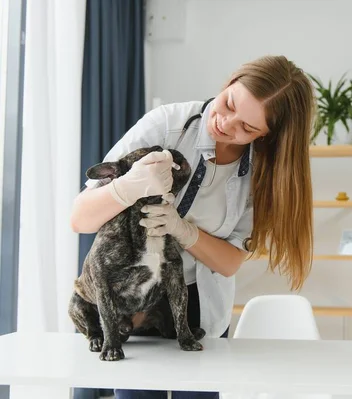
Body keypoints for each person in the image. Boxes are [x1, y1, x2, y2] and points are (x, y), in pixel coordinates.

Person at [70, 55, 315, 399]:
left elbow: (229, 263)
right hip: (132, 301)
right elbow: (80, 218)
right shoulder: (167, 125)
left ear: (267, 136)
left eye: (248, 127)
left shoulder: (264, 172)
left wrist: (184, 231)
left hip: (195, 303)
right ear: (231, 81)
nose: (227, 124)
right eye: (229, 103)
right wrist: (126, 187)